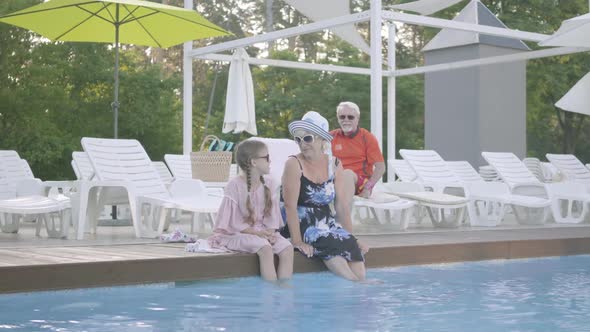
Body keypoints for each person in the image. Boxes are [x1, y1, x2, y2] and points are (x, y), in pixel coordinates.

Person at [280, 111, 368, 281]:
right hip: (301, 222)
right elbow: (289, 206)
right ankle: (356, 285)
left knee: (349, 246)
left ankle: (361, 287)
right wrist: (297, 242)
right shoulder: (293, 164)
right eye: (298, 139)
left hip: (326, 221)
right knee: (329, 241)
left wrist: (352, 238)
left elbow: (341, 205)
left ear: (322, 140)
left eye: (307, 138)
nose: (302, 144)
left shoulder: (334, 164)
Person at [209, 140, 294, 282]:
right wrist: (258, 234)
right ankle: (270, 293)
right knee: (265, 248)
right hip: (238, 234)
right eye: (266, 158)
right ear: (254, 162)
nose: (270, 160)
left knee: (287, 248)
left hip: (263, 233)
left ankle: (284, 293)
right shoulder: (234, 185)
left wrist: (270, 233)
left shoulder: (270, 183)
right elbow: (233, 224)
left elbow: (272, 218)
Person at [330, 101, 385, 198]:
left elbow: (380, 167)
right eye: (342, 117)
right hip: (335, 180)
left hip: (360, 183)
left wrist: (368, 188)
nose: (346, 120)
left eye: (350, 117)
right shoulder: (330, 136)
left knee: (347, 174)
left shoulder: (366, 137)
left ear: (357, 119)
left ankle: (344, 212)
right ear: (338, 118)